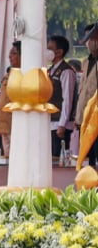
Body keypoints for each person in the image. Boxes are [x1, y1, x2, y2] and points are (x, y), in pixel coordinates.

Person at [46, 35, 76, 158]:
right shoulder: (50, 70)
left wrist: (62, 124)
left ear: (59, 52)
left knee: (57, 159)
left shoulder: (66, 71)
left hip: (59, 124)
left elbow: (67, 99)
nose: (47, 52)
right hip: (50, 122)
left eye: (50, 48)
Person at [76, 23, 98, 166]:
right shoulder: (86, 62)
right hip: (85, 117)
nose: (88, 42)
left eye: (91, 38)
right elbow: (83, 91)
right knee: (87, 157)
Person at [0, 41, 21, 157]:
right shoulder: (9, 74)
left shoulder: (24, 75)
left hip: (15, 124)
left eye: (14, 53)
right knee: (7, 156)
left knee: (15, 156)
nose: (10, 56)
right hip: (4, 123)